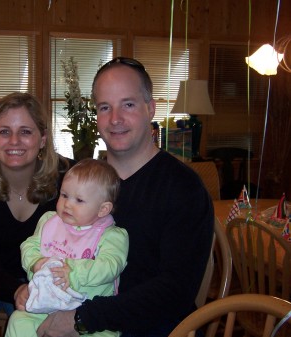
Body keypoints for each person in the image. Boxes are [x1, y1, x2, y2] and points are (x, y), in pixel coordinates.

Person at [33, 57, 214, 336]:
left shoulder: (182, 188)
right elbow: (42, 242)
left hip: (150, 325)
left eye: (128, 104)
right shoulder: (79, 182)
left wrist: (82, 319)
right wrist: (21, 288)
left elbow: (175, 290)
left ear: (150, 109)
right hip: (74, 309)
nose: (115, 118)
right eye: (105, 107)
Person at [0, 92, 71, 319]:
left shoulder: (69, 178)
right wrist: (16, 290)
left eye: (25, 132)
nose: (14, 141)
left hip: (44, 281)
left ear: (43, 139)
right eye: (4, 132)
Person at [6, 158, 129, 337]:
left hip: (90, 316)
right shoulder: (49, 221)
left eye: (79, 200)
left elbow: (110, 266)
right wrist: (35, 262)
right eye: (64, 195)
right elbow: (30, 244)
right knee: (18, 321)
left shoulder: (112, 236)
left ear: (103, 209)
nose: (67, 204)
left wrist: (73, 272)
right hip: (45, 306)